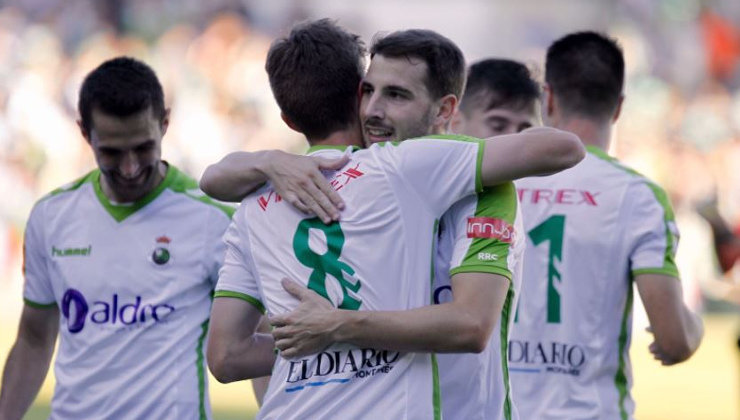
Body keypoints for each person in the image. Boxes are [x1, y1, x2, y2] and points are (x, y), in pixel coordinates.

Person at [204, 19, 584, 420]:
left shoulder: (480, 188)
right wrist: (266, 159)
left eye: (396, 95)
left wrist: (335, 328)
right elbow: (228, 356)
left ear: (446, 111)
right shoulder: (374, 171)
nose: (374, 110)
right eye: (369, 91)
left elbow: (471, 325)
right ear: (354, 96)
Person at [0, 57, 233, 420]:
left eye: (143, 147)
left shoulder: (214, 220)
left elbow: (259, 340)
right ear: (84, 133)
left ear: (165, 124)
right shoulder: (50, 216)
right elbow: (34, 339)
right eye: (110, 151)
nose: (129, 167)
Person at [507, 31, 704, 420]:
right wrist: (693, 327)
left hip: (501, 410)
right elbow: (674, 340)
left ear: (547, 98)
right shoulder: (638, 196)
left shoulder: (504, 181)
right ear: (618, 107)